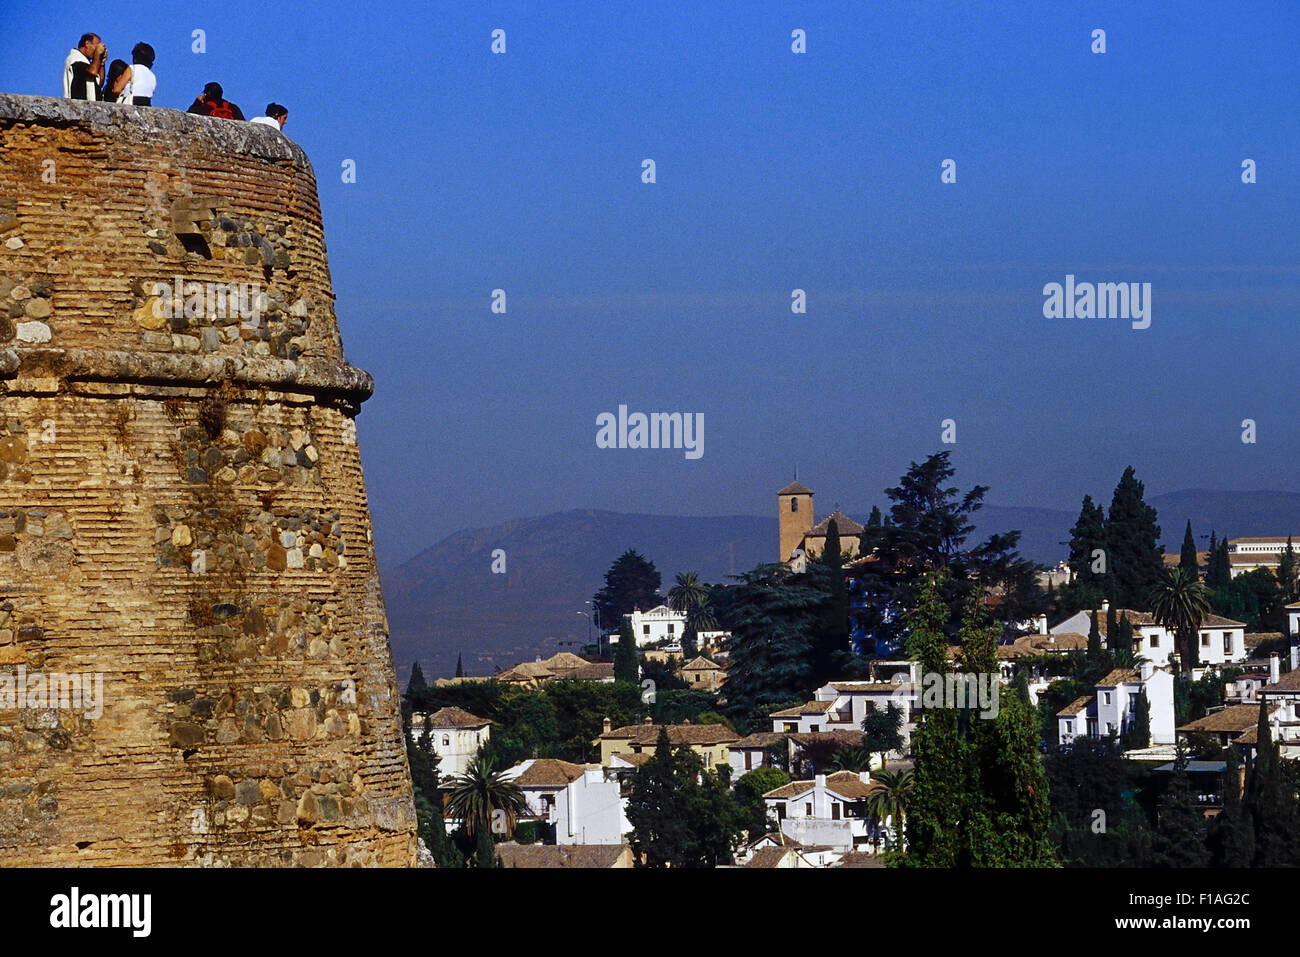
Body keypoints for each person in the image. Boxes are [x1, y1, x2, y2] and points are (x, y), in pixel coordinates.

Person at [63, 32, 106, 100]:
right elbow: (93, 72)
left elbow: (100, 82)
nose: (97, 50)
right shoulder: (75, 59)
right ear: (87, 44)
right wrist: (97, 54)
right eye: (96, 47)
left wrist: (101, 62)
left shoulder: (88, 63)